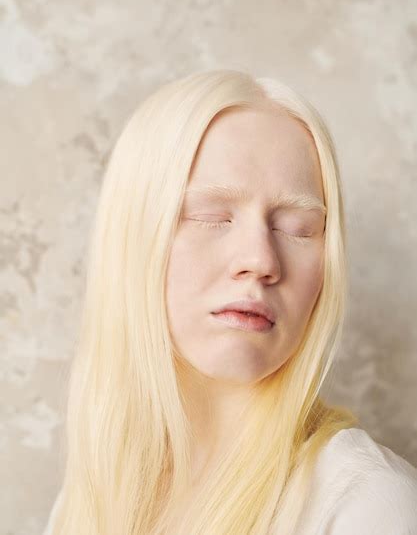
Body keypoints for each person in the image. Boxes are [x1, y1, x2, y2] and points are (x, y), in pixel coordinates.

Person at [44, 70, 417, 535]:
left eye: (298, 229)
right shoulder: (92, 496)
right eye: (211, 217)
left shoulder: (368, 508)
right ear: (132, 240)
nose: (261, 260)